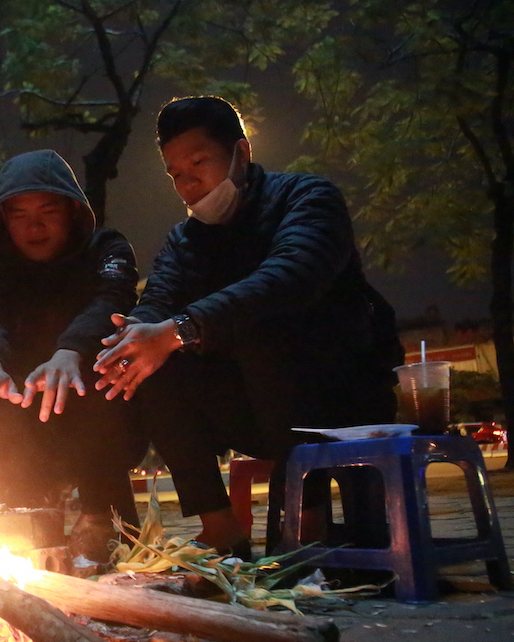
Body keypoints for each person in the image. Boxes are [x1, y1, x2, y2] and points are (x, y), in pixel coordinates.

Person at [94, 96, 403, 554]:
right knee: (150, 363)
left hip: (336, 394)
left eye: (198, 162)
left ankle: (305, 523)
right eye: (175, 173)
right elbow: (158, 300)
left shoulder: (307, 198)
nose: (187, 182)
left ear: (241, 153)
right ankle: (221, 530)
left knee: (261, 327)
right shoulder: (185, 239)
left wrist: (181, 328)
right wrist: (132, 335)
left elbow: (291, 278)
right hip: (247, 404)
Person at [0, 149, 147, 564]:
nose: (33, 225)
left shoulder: (106, 247)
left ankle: (106, 522)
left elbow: (111, 299)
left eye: (47, 210)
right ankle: (27, 526)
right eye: (18, 214)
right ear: (3, 219)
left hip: (98, 412)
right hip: (25, 414)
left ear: (72, 209)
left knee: (100, 380)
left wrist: (70, 351)